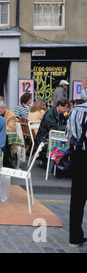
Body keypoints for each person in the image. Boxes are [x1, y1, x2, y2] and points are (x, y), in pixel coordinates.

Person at [65, 100, 87, 247]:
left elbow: (68, 136)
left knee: (77, 197)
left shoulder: (75, 110)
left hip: (80, 156)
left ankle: (75, 237)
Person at [35, 98, 70, 162]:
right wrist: (67, 127)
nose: (67, 110)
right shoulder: (50, 114)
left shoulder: (60, 114)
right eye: (66, 108)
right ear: (59, 106)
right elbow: (54, 129)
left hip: (51, 136)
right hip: (44, 138)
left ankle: (61, 161)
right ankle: (58, 161)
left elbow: (63, 125)